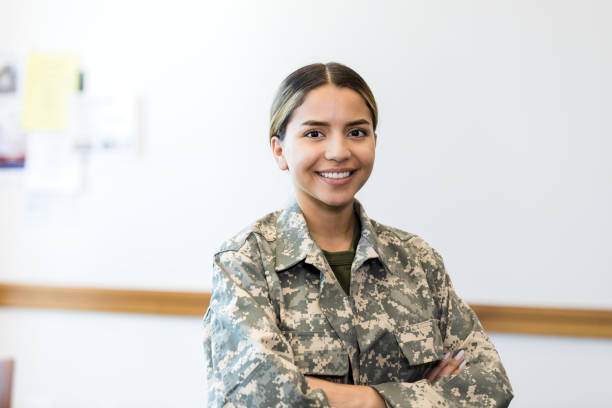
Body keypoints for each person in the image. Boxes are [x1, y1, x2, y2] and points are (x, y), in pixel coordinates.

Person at [203, 62, 514, 407]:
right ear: (279, 150)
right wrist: (410, 398)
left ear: (374, 143)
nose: (338, 151)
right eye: (314, 133)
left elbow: (490, 386)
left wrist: (345, 396)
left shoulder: (417, 260)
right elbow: (259, 397)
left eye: (356, 132)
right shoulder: (246, 261)